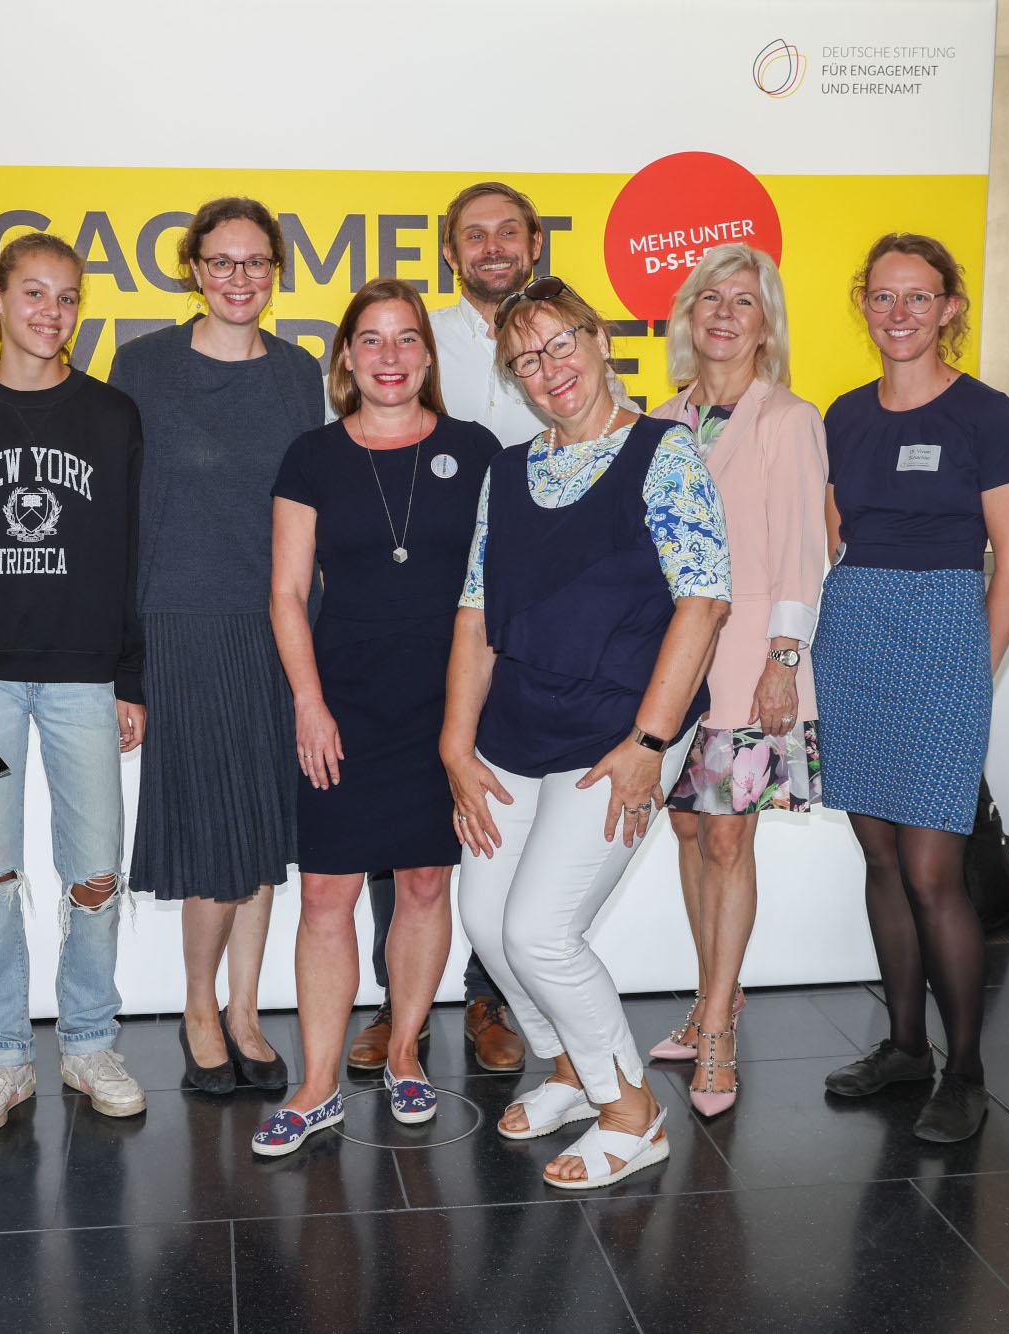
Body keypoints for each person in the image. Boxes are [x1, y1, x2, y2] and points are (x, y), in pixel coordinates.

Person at [446, 277, 731, 1189]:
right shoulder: (508, 467)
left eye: (560, 343)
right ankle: (572, 1062)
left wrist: (651, 746)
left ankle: (630, 1110)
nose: (548, 368)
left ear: (599, 338)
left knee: (538, 930)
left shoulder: (665, 453)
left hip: (620, 731)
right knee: (485, 919)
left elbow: (704, 602)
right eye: (526, 358)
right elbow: (474, 610)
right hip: (515, 727)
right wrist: (456, 745)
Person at [251, 280, 500, 1156]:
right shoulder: (310, 456)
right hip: (343, 699)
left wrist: (470, 721)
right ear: (346, 358)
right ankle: (317, 1084)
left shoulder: (476, 451)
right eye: (371, 340)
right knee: (327, 893)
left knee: (427, 885)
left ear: (428, 357)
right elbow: (286, 593)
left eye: (405, 340)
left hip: (443, 701)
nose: (389, 356)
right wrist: (308, 704)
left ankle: (403, 1052)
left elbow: (494, 588)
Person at [0, 232, 149, 1136]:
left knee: (94, 871)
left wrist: (132, 674)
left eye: (68, 298)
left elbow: (132, 555)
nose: (52, 313)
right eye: (35, 293)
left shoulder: (112, 416)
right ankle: (3, 1059)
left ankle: (88, 1042)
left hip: (85, 686)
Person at [817, 233, 1009, 1143]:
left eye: (918, 297)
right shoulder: (843, 413)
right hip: (855, 633)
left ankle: (968, 1070)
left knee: (933, 873)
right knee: (877, 860)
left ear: (949, 308)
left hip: (945, 632)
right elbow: (834, 538)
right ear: (864, 306)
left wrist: (967, 674)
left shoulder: (988, 415)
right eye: (882, 296)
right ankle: (905, 1046)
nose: (898, 313)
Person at [112, 197, 323, 1093]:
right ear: (193, 269)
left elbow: (314, 506)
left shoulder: (300, 371)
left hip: (277, 624)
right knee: (211, 837)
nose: (241, 279)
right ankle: (199, 1007)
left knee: (263, 829)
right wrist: (125, 657)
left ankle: (247, 1008)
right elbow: (117, 513)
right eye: (223, 262)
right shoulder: (142, 366)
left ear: (275, 273)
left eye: (257, 263)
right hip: (181, 625)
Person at [349, 181, 546, 1075]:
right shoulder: (421, 345)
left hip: (540, 618)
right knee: (410, 819)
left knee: (507, 809)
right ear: (451, 250)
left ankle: (492, 998)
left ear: (535, 245)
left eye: (509, 232)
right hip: (427, 621)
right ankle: (403, 1014)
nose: (494, 247)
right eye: (476, 235)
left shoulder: (560, 339)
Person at [647, 244, 828, 1116]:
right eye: (709, 297)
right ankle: (711, 992)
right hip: (673, 659)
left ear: (767, 324)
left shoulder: (790, 418)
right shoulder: (657, 417)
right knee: (686, 828)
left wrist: (784, 664)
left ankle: (717, 1028)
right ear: (688, 314)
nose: (724, 312)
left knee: (729, 841)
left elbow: (804, 547)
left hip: (754, 655)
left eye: (744, 301)